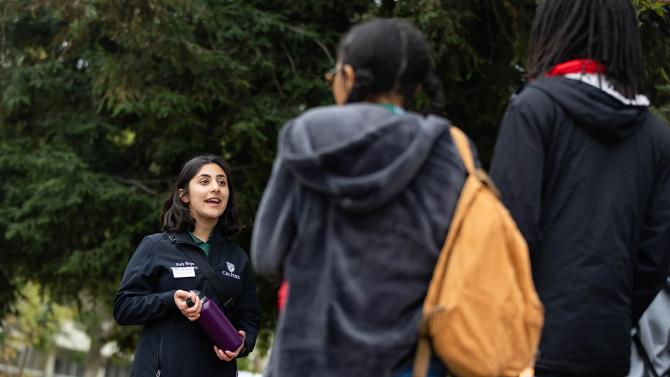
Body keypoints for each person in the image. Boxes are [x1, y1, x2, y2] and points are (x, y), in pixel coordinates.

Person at [251, 18, 478, 377]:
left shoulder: (306, 137)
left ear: (350, 76)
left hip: (307, 360)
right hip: (410, 363)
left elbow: (266, 256)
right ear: (416, 86)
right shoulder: (449, 150)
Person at [489, 1, 670, 376]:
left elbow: (508, 233)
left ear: (554, 26)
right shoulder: (655, 136)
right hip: (610, 348)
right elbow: (654, 258)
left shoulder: (533, 111)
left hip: (529, 348)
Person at [113, 155, 261, 377]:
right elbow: (124, 307)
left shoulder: (237, 257)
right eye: (204, 181)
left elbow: (249, 316)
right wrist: (169, 300)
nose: (216, 188)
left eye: (222, 182)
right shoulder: (155, 246)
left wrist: (243, 342)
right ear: (184, 196)